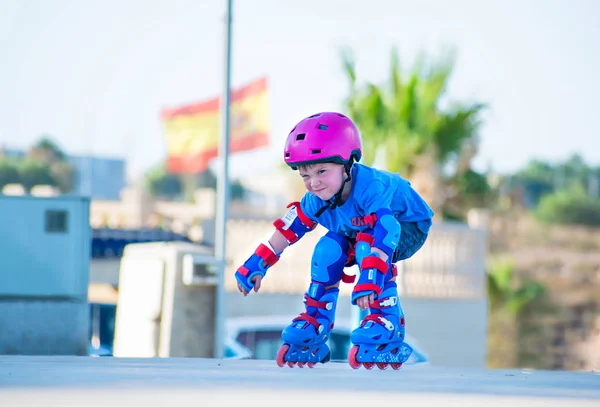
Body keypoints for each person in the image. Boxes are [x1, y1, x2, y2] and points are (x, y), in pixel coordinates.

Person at [234, 111, 434, 369]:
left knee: (367, 243)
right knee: (327, 249)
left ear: (348, 165)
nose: (314, 183)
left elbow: (387, 229)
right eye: (305, 176)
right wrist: (256, 264)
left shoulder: (370, 187)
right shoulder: (317, 199)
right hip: (362, 229)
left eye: (322, 171)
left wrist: (369, 279)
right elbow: (286, 230)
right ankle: (316, 322)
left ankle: (387, 321)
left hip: (408, 226)